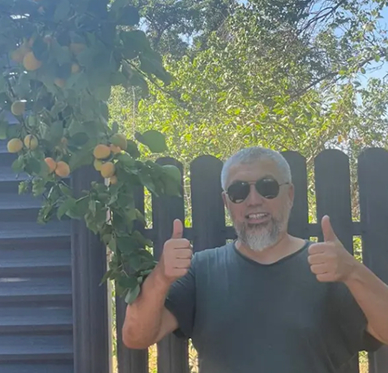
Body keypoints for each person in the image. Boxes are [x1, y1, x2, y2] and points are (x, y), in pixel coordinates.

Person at [122, 147, 388, 372]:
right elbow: (135, 337)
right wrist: (161, 277)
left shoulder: (329, 267)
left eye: (267, 187)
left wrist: (353, 272)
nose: (253, 200)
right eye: (239, 191)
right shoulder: (201, 271)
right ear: (227, 202)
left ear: (290, 194)